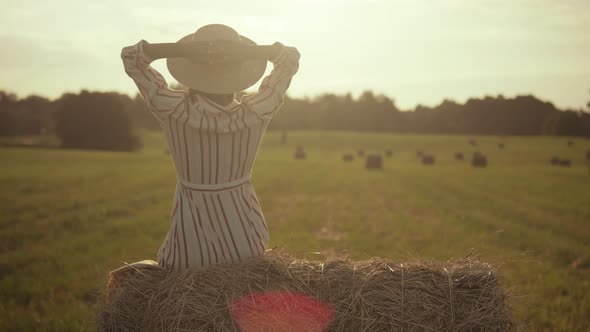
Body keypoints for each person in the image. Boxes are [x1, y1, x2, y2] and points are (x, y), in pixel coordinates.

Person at [120, 24, 300, 272]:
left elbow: (132, 57)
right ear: (240, 73)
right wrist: (247, 52)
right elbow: (289, 58)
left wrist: (183, 50)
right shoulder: (257, 112)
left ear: (191, 71)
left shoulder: (173, 110)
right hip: (246, 244)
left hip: (187, 250)